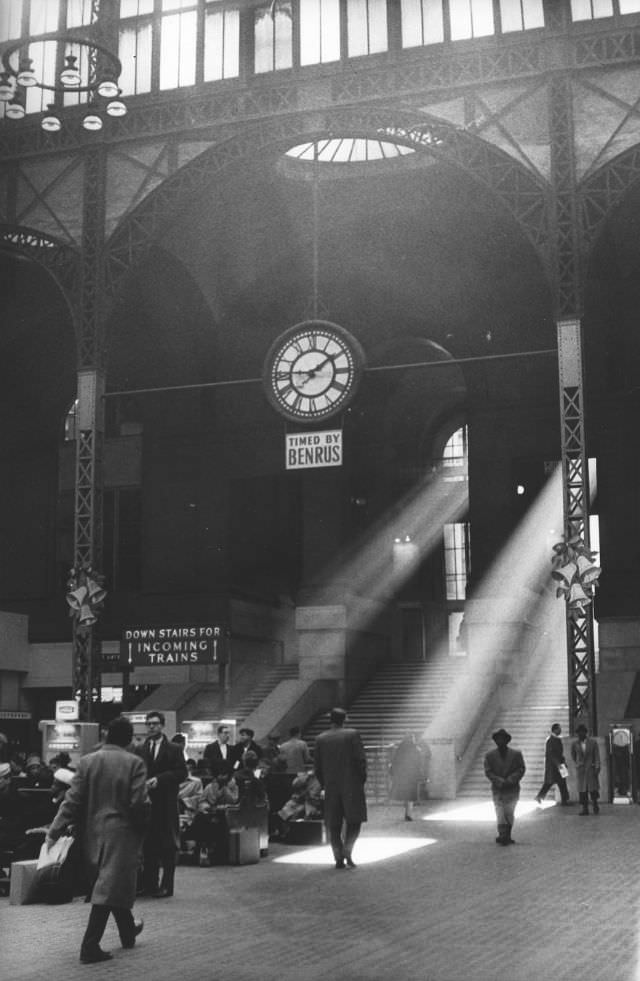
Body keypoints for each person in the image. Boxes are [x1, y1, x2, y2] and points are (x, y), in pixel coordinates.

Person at [44, 715, 148, 964]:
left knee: (110, 883)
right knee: (108, 887)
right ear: (129, 739)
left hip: (92, 832)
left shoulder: (88, 762)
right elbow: (140, 803)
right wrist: (142, 832)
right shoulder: (134, 763)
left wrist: (54, 831)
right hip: (123, 833)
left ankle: (128, 932)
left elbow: (72, 801)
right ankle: (90, 946)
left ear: (105, 736)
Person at [136, 710, 186, 898]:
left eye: (155, 723)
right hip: (147, 803)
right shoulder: (140, 749)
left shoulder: (173, 749)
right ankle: (150, 884)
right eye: (148, 724)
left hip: (165, 802)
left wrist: (160, 779)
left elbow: (181, 773)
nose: (151, 727)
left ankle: (167, 885)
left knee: (167, 845)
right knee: (148, 845)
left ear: (162, 725)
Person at [314, 707, 367, 869]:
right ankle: (347, 851)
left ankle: (338, 857)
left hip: (331, 785)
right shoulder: (352, 734)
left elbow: (317, 766)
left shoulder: (320, 738)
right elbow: (360, 760)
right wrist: (361, 779)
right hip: (351, 784)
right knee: (355, 821)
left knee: (334, 824)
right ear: (345, 719)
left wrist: (324, 783)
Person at [484, 728, 526, 845]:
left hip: (512, 789)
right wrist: (499, 781)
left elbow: (521, 768)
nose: (500, 741)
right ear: (495, 741)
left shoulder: (516, 754)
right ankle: (503, 835)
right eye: (498, 739)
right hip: (498, 789)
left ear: (507, 741)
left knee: (509, 813)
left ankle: (507, 835)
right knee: (500, 812)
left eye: (503, 739)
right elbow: (488, 771)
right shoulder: (489, 756)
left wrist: (511, 779)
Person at [390, 732, 424, 821]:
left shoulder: (400, 748)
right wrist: (420, 774)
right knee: (411, 796)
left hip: (402, 775)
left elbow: (395, 761)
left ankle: (407, 811)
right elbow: (418, 763)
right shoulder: (415, 749)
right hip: (412, 776)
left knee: (405, 794)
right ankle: (408, 814)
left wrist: (393, 772)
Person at [535, 723, 571, 806]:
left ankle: (564, 800)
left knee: (560, 783)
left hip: (559, 765)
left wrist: (563, 763)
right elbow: (551, 754)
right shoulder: (550, 740)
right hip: (555, 766)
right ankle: (564, 800)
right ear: (555, 729)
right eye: (559, 729)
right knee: (555, 783)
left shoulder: (556, 739)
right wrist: (558, 764)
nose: (560, 730)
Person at [571, 723, 601, 815]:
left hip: (590, 768)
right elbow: (573, 754)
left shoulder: (592, 742)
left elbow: (596, 756)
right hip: (581, 770)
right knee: (582, 790)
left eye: (582, 732)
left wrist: (597, 767)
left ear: (585, 733)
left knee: (592, 789)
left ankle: (595, 804)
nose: (580, 734)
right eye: (578, 733)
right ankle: (585, 808)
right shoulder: (575, 743)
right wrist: (577, 763)